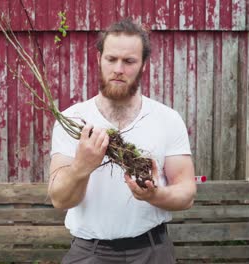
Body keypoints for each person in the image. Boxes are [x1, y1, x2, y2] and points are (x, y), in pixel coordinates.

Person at [48, 17, 197, 264]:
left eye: (129, 61)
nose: (119, 68)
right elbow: (60, 199)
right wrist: (81, 166)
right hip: (89, 253)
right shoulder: (72, 119)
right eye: (111, 59)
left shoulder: (167, 119)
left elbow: (186, 194)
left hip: (152, 251)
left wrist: (153, 196)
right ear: (99, 59)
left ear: (143, 65)